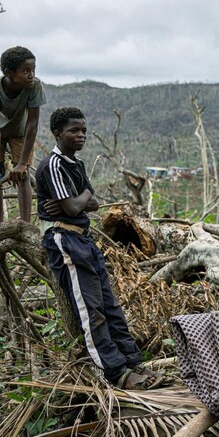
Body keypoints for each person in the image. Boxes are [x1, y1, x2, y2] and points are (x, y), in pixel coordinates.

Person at [36, 107, 164, 390]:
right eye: (73, 130)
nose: (81, 135)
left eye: (83, 129)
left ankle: (133, 362)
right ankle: (116, 372)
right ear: (57, 133)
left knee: (110, 305)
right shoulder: (53, 165)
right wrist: (77, 201)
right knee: (90, 309)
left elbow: (89, 201)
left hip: (83, 238)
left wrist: (77, 200)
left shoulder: (76, 164)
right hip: (64, 240)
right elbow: (72, 206)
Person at [0, 46, 46, 223]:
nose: (31, 75)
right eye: (26, 71)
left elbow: (33, 125)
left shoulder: (35, 86)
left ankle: (25, 225)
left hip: (20, 129)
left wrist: (23, 163)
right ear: (9, 73)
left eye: (33, 70)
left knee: (22, 175)